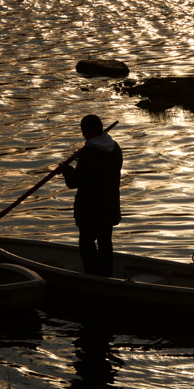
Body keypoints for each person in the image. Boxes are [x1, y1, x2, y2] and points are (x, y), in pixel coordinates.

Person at [60, 115, 122, 277]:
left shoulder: (89, 153)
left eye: (84, 131)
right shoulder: (115, 148)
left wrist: (65, 169)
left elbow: (74, 181)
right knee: (105, 245)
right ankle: (107, 276)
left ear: (92, 130)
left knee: (87, 246)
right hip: (109, 208)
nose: (83, 135)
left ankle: (93, 278)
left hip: (90, 211)